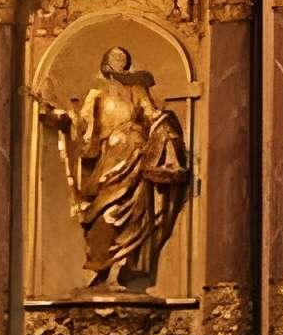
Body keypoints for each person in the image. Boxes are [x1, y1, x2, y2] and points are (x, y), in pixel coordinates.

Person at [39, 47, 191, 289]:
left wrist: (164, 122)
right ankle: (101, 270)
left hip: (136, 158)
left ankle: (121, 272)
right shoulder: (96, 92)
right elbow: (84, 125)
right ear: (105, 63)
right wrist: (64, 119)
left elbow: (151, 114)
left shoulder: (137, 89)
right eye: (114, 58)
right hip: (109, 161)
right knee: (103, 214)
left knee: (133, 215)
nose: (119, 63)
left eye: (123, 59)